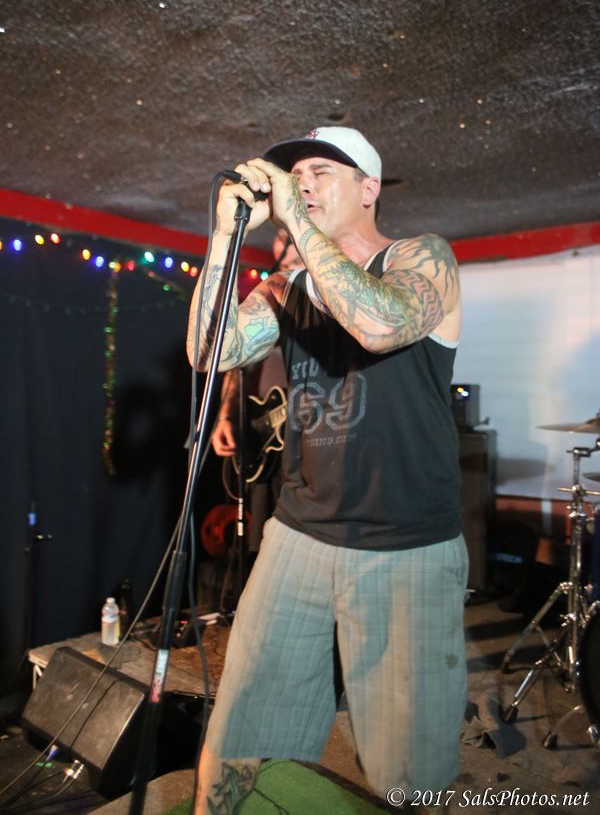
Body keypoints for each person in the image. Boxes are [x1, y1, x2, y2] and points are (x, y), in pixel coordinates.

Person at [187, 126, 468, 813]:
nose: (303, 184)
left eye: (321, 172)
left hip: (404, 546)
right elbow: (209, 350)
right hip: (299, 535)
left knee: (407, 769)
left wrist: (296, 224)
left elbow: (380, 324)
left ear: (369, 189)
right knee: (243, 728)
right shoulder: (287, 286)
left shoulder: (423, 256)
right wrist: (223, 239)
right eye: (297, 175)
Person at [211, 232, 302, 559]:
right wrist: (224, 416)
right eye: (280, 236)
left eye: (293, 260)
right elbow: (237, 365)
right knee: (263, 544)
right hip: (265, 436)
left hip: (309, 444)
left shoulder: (329, 299)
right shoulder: (269, 298)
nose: (284, 244)